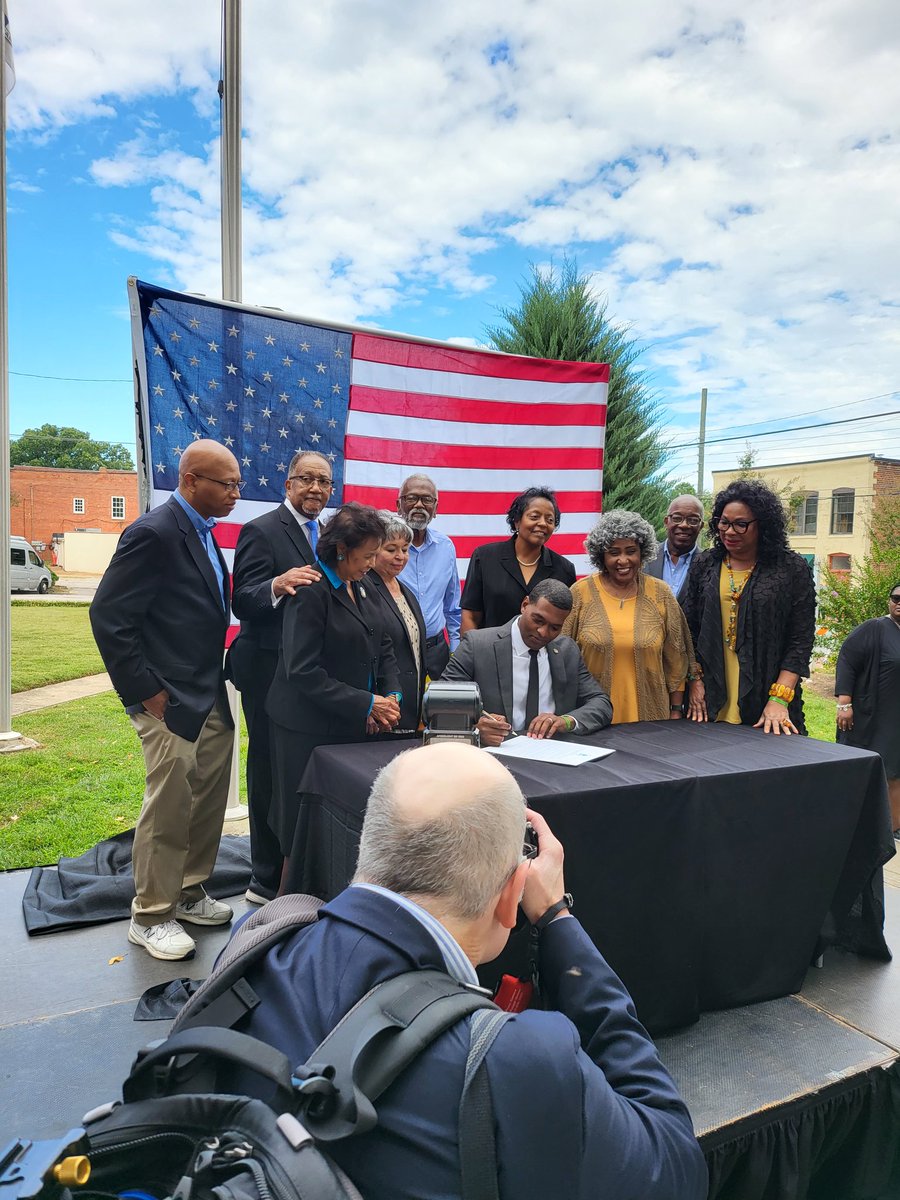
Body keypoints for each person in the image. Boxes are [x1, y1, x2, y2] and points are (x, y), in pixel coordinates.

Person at [231, 743, 709, 1200]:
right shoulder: (518, 1060)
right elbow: (676, 1167)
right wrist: (557, 918)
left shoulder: (260, 941)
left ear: (371, 845)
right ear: (511, 897)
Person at [89, 440, 239, 961]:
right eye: (227, 484)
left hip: (207, 692)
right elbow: (109, 618)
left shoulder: (203, 533)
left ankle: (190, 889)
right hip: (167, 698)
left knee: (208, 798)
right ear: (192, 480)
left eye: (238, 485)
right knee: (171, 802)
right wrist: (147, 694)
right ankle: (152, 914)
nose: (235, 494)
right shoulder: (153, 533)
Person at [265, 502, 401, 875]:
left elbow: (383, 645)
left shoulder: (365, 583)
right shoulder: (311, 589)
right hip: (305, 730)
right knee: (301, 826)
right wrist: (365, 703)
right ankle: (289, 902)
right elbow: (302, 671)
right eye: (368, 555)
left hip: (349, 725)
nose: (373, 563)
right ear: (342, 550)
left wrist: (390, 698)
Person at [227, 451, 329, 904]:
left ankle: (302, 867)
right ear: (287, 484)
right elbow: (243, 601)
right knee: (268, 769)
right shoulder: (262, 530)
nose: (315, 489)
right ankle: (265, 878)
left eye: (323, 481)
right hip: (268, 671)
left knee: (301, 771)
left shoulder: (328, 535)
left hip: (311, 673)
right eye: (305, 479)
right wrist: (276, 583)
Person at [681, 479, 816, 734]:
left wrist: (779, 698)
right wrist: (694, 681)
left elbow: (800, 639)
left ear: (762, 525)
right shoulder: (705, 564)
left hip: (768, 701)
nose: (729, 531)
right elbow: (689, 629)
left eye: (741, 524)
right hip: (708, 700)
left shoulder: (790, 568)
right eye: (724, 522)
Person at [443, 578, 612, 744]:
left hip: (551, 754)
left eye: (554, 628)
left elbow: (601, 704)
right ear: (524, 605)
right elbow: (440, 705)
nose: (543, 632)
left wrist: (566, 721)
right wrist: (475, 729)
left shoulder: (567, 651)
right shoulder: (477, 645)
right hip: (494, 759)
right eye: (538, 620)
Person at [563, 510, 692, 723]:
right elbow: (560, 654)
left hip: (653, 719)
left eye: (631, 551)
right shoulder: (580, 593)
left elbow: (676, 656)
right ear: (601, 556)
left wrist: (676, 709)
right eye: (614, 552)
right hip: (590, 717)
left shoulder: (661, 593)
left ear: (642, 553)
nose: (623, 560)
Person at [460, 486, 576, 634]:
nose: (542, 523)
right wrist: (472, 654)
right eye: (534, 516)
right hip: (489, 653)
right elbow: (470, 616)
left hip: (540, 654)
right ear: (517, 521)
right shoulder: (484, 557)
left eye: (550, 520)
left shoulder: (564, 569)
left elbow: (564, 625)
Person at [835, 583, 900, 833]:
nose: (899, 602)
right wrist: (844, 703)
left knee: (896, 767)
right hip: (871, 713)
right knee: (865, 766)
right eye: (895, 597)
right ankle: (851, 821)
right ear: (889, 601)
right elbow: (847, 660)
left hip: (896, 715)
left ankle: (893, 827)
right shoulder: (874, 628)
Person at [366, 512, 427, 733]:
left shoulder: (405, 589)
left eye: (405, 549)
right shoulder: (363, 587)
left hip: (410, 705)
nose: (400, 556)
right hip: (382, 708)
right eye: (391, 549)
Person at [396, 473, 461, 679]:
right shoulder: (382, 548)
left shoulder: (446, 547)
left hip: (437, 651)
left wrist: (456, 650)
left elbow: (453, 607)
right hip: (397, 650)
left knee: (440, 709)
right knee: (398, 710)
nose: (419, 505)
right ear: (399, 505)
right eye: (411, 498)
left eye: (427, 500)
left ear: (436, 509)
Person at [644, 494, 705, 599]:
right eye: (677, 518)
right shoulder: (645, 557)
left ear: (701, 526)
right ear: (666, 522)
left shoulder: (708, 564)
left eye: (693, 520)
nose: (684, 525)